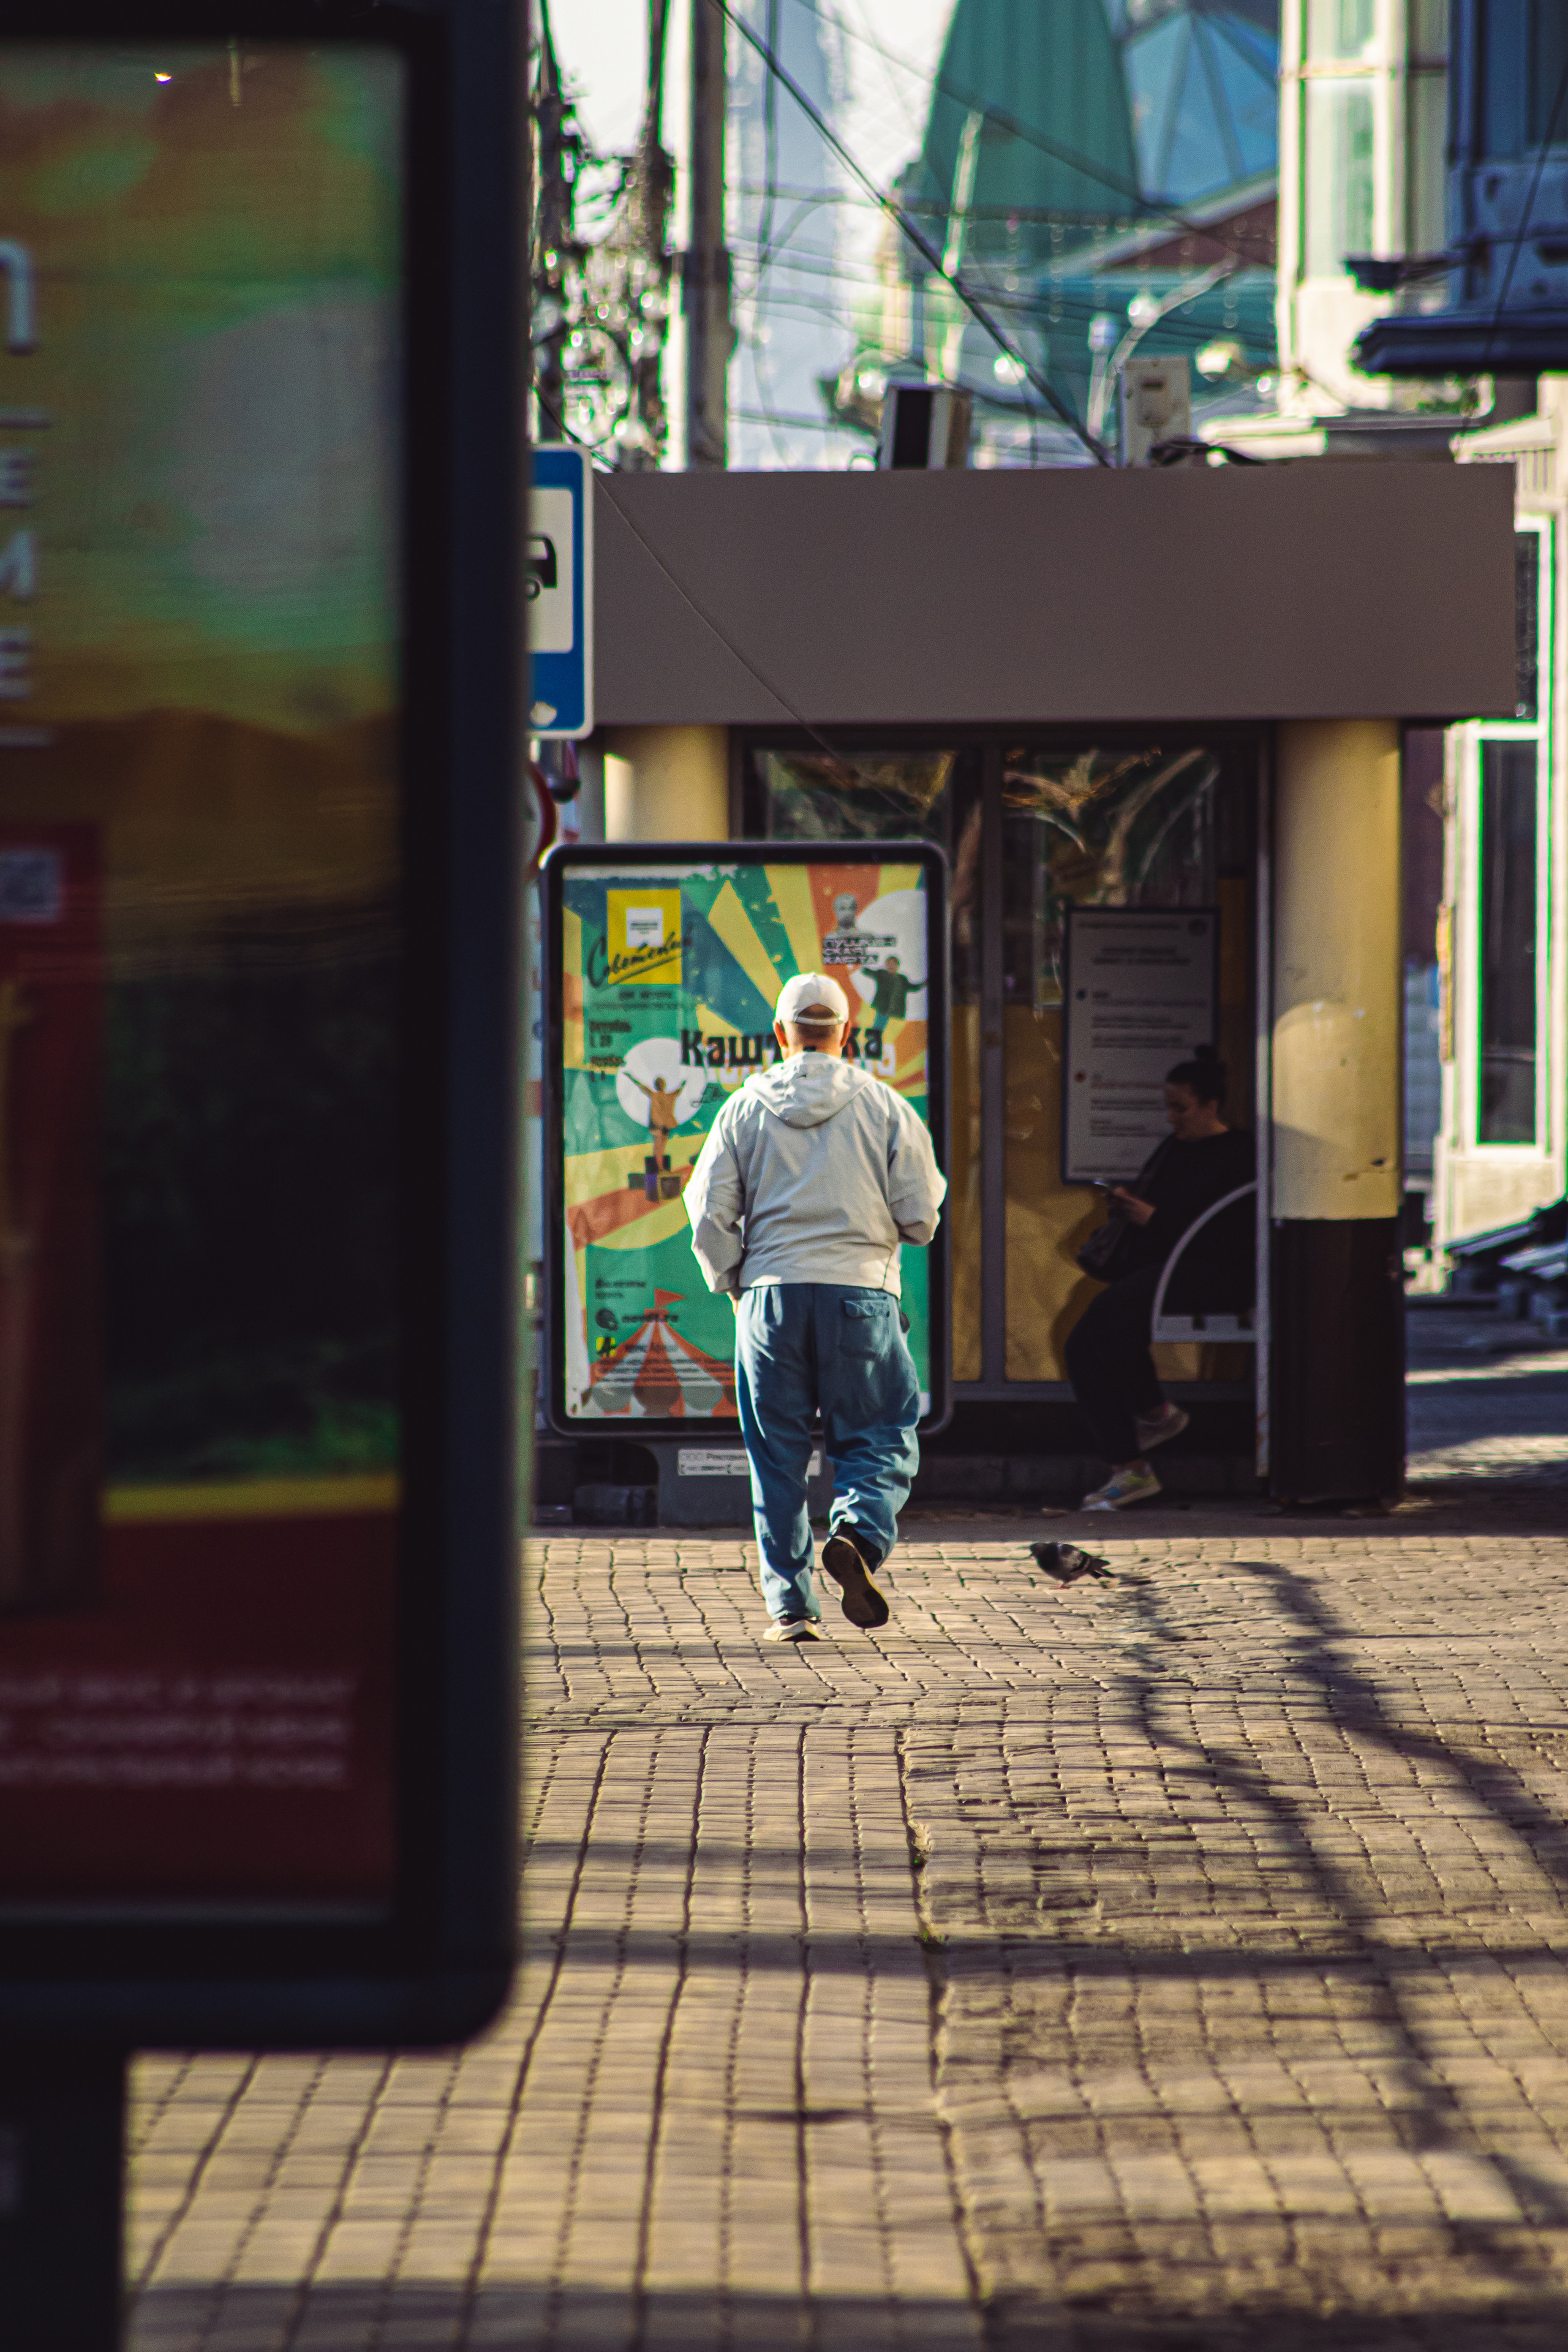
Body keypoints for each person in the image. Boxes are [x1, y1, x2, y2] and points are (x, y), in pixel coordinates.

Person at [684, 973, 947, 1642]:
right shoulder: (886, 1106)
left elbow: (708, 1212)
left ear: (780, 1033)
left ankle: (792, 1610)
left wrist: (733, 1281)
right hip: (860, 1295)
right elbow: (921, 1218)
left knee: (776, 1457)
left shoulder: (743, 1108)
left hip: (768, 1298)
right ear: (846, 1032)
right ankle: (858, 1532)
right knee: (880, 1434)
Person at [1064, 1058, 1253, 1512]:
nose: (1172, 1118)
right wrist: (1130, 1206)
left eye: (1181, 1108)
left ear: (1211, 1106)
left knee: (1108, 1315)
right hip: (1167, 1268)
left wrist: (1154, 1218)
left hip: (1213, 1273)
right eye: (1169, 1107)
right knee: (1082, 1343)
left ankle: (1151, 1421)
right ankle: (1131, 1460)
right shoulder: (1174, 1149)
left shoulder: (1241, 1154)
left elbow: (1234, 1235)